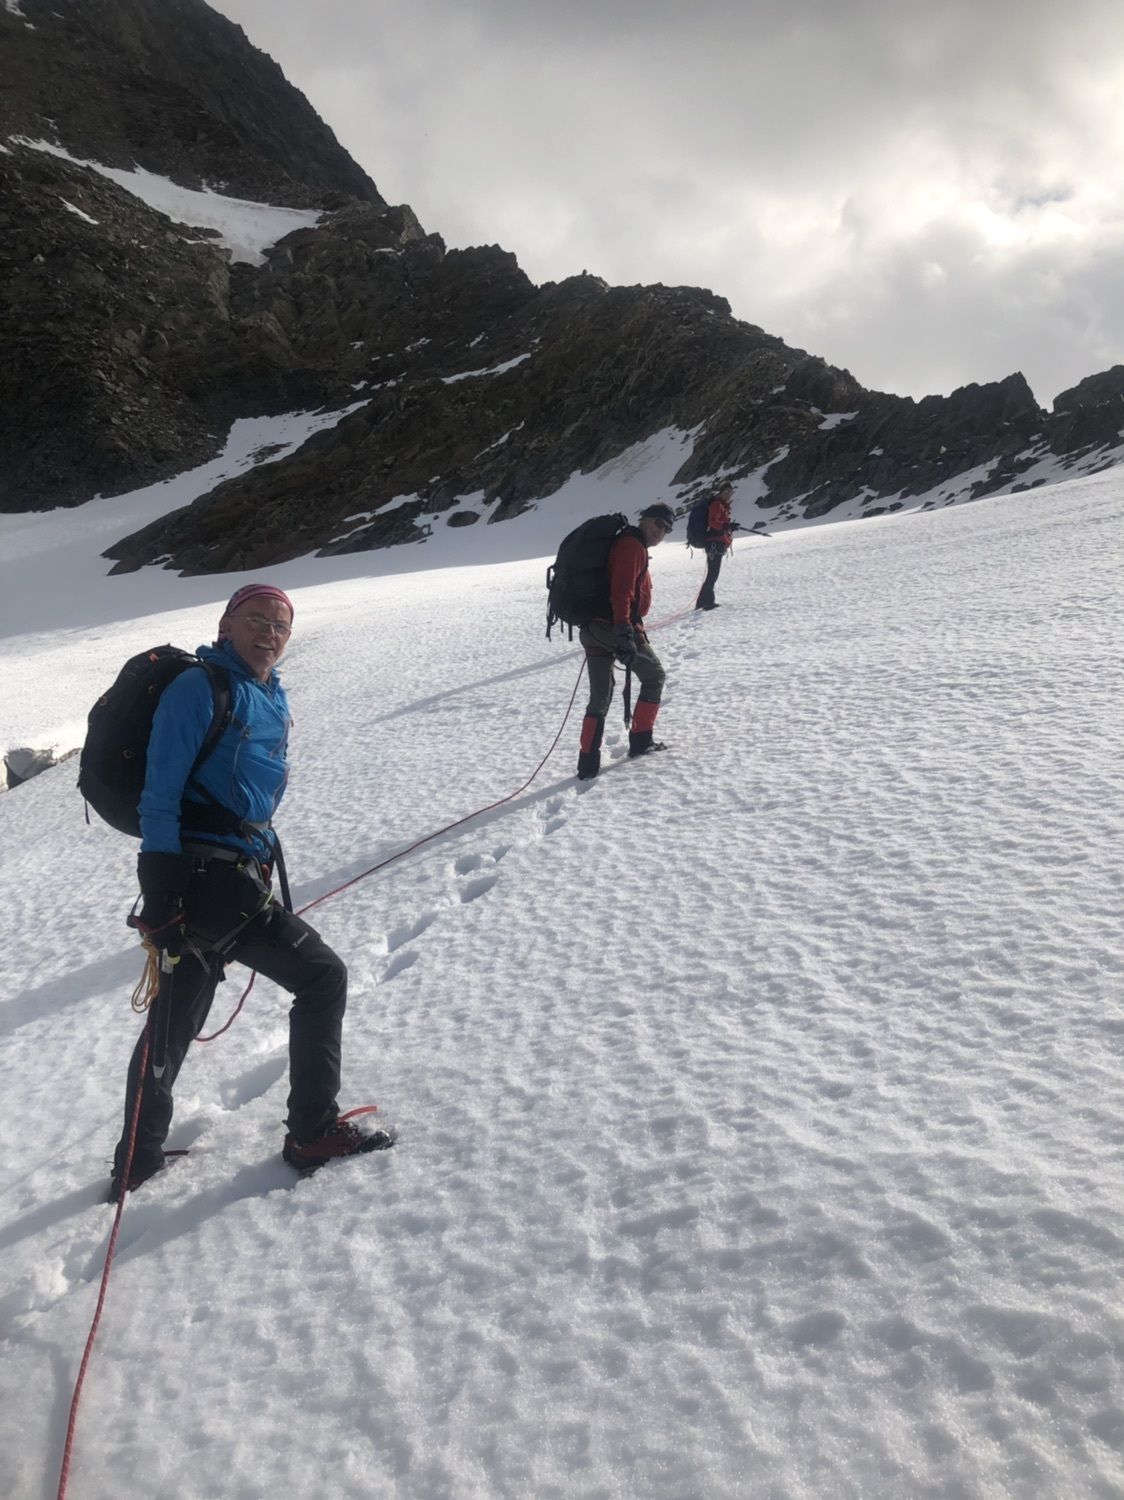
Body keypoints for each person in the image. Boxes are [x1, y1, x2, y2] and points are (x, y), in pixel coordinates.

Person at [109, 583, 393, 1201]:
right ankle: (312, 1132)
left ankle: (136, 1161)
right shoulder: (199, 687)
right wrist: (160, 890)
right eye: (257, 620)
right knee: (322, 978)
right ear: (226, 625)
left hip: (234, 870)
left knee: (175, 1018)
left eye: (280, 625)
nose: (270, 633)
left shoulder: (269, 692)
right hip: (204, 878)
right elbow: (160, 793)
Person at [576, 502, 673, 780]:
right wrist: (624, 632)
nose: (661, 531)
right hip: (613, 627)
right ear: (645, 519)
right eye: (658, 523)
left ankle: (587, 763)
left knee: (600, 695)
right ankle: (641, 741)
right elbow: (622, 591)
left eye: (667, 529)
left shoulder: (626, 543)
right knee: (654, 676)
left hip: (593, 628)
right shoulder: (632, 546)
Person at [695, 482, 735, 611]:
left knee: (713, 573)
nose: (728, 495)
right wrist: (726, 526)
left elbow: (721, 524)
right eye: (726, 492)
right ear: (721, 492)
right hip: (714, 542)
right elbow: (713, 522)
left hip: (717, 542)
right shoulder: (717, 504)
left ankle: (702, 602)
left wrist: (729, 527)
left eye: (730, 493)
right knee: (713, 574)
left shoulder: (723, 506)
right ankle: (707, 602)